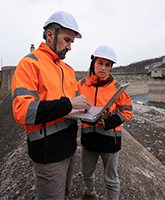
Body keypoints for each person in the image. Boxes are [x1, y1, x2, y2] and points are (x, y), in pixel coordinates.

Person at [11, 11, 91, 200]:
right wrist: (69, 103)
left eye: (72, 42)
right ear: (50, 35)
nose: (70, 47)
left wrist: (91, 110)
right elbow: (23, 111)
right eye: (66, 40)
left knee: (64, 194)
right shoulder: (29, 64)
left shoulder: (68, 70)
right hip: (48, 153)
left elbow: (75, 101)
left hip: (69, 147)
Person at [77, 45, 133, 200]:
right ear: (93, 63)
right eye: (100, 63)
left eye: (107, 65)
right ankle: (89, 194)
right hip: (88, 138)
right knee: (86, 172)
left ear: (111, 68)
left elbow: (127, 110)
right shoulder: (80, 85)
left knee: (111, 178)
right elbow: (72, 104)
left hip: (110, 139)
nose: (103, 68)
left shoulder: (116, 88)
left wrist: (109, 121)